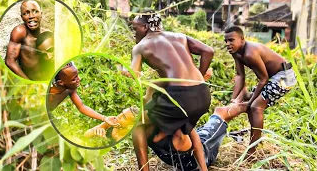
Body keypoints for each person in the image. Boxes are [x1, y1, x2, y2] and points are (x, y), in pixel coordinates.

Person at [124, 12, 214, 171]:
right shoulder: (180, 36)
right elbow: (208, 51)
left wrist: (119, 70)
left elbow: (134, 75)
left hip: (180, 97)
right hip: (203, 94)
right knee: (182, 125)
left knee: (138, 124)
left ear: (145, 27)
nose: (133, 33)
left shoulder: (140, 46)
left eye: (135, 29)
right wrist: (199, 76)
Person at [224, 26, 297, 155]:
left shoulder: (250, 53)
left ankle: (252, 151)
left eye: (231, 40)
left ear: (242, 39)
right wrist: (233, 100)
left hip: (285, 76)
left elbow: (263, 79)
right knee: (250, 103)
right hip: (273, 78)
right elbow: (240, 76)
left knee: (256, 107)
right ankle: (255, 139)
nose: (228, 44)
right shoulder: (236, 53)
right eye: (226, 41)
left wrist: (250, 102)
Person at [133, 103, 247, 171]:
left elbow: (196, 141)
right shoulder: (140, 131)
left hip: (204, 148)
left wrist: (203, 169)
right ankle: (239, 101)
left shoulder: (173, 121)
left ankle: (248, 105)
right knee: (218, 118)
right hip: (193, 144)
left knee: (220, 114)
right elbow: (143, 165)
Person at [48, 62, 118, 127]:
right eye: (74, 79)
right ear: (60, 82)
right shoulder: (46, 92)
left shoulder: (70, 89)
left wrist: (104, 118)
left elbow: (82, 107)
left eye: (77, 75)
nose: (79, 79)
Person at [5, 0, 47, 80]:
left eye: (35, 11)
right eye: (26, 13)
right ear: (22, 17)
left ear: (41, 14)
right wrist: (27, 82)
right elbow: (10, 61)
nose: (31, 16)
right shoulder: (20, 32)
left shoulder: (46, 34)